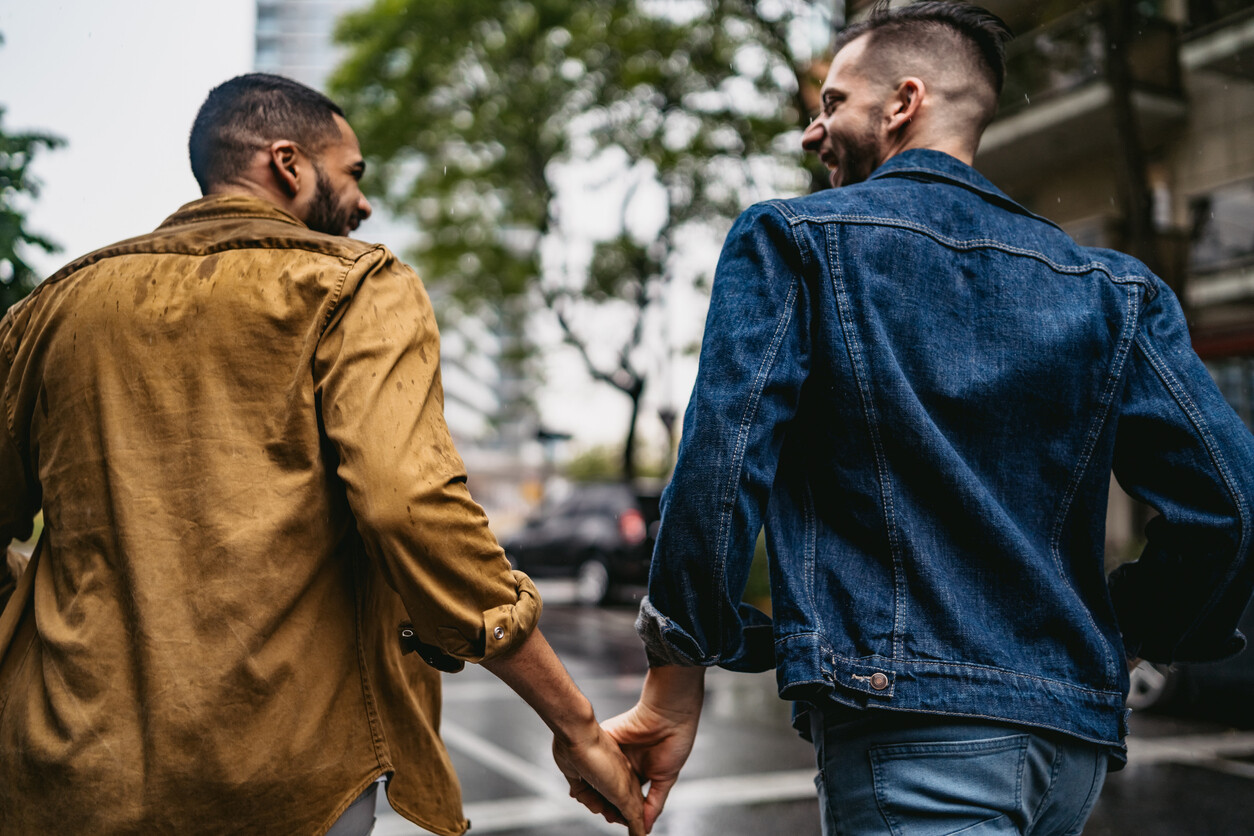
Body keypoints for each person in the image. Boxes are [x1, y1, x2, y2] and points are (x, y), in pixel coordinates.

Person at [600, 3, 1254, 835]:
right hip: (1071, 749)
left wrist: (675, 668)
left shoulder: (793, 241)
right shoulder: (1114, 288)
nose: (812, 132)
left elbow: (721, 465)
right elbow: (1233, 499)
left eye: (832, 104)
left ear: (902, 102)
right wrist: (1126, 634)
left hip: (914, 736)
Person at [0, 73, 643, 836]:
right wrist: (578, 728)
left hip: (60, 768)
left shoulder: (51, 310)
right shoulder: (357, 285)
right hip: (286, 777)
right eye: (353, 173)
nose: (364, 203)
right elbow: (412, 508)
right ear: (288, 163)